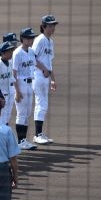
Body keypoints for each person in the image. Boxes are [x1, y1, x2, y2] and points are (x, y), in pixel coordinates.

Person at [31, 14, 58, 145]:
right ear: (43, 26)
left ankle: (39, 133)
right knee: (41, 104)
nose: (53, 28)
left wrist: (53, 79)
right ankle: (37, 135)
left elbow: (49, 62)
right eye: (51, 25)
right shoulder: (40, 40)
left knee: (43, 104)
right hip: (38, 76)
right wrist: (43, 69)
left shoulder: (50, 41)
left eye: (54, 25)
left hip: (45, 77)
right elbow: (32, 57)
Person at [12, 27, 38, 150]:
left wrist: (46, 70)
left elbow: (37, 63)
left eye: (32, 38)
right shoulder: (17, 53)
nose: (31, 40)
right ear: (22, 39)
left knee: (27, 113)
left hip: (29, 83)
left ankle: (24, 140)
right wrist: (17, 91)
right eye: (28, 38)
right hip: (20, 84)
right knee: (21, 114)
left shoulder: (31, 51)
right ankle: (20, 141)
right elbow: (14, 73)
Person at [0, 41, 16, 125]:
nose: (11, 53)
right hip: (2, 96)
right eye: (9, 51)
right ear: (3, 53)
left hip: (10, 94)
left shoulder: (10, 63)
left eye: (12, 50)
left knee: (7, 117)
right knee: (1, 118)